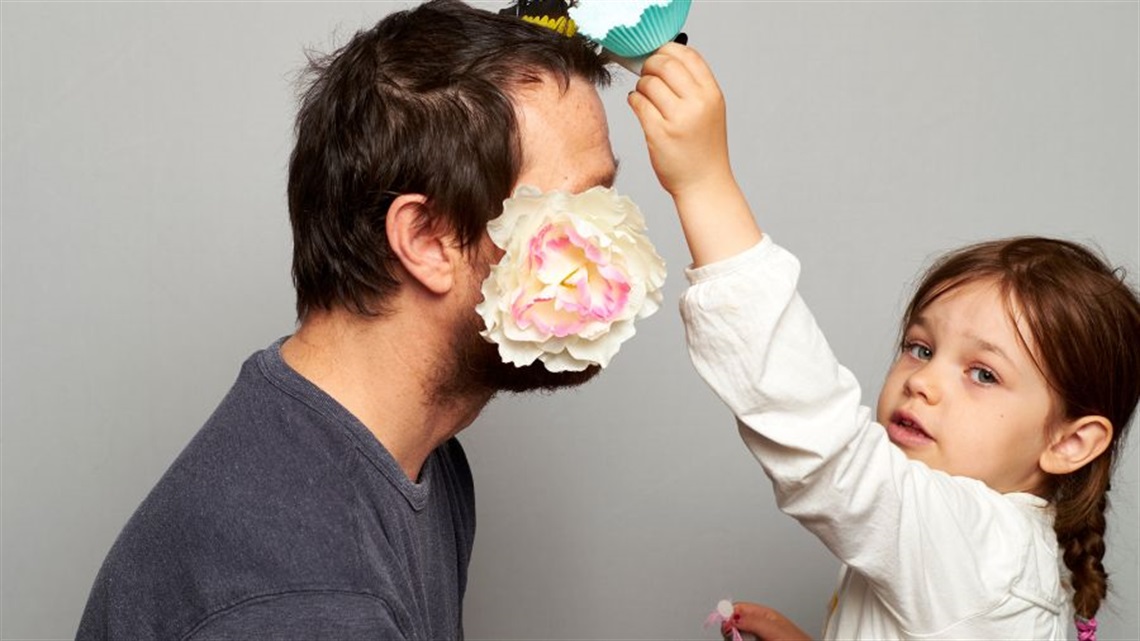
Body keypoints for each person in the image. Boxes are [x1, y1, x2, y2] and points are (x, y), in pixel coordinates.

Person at [76, 1, 617, 638]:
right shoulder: (309, 599)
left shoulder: (420, 462)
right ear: (426, 239)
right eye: (579, 209)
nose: (611, 252)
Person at [629, 43, 1140, 640]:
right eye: (921, 349)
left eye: (983, 374)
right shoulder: (980, 553)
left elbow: (829, 453)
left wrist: (703, 184)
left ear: (1071, 441)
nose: (922, 381)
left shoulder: (985, 554)